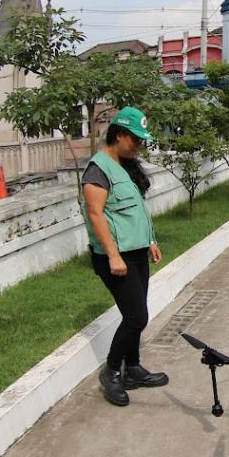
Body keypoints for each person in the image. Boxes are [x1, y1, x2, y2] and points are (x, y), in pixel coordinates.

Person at [82, 106, 169, 407]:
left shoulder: (124, 165)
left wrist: (151, 240)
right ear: (119, 135)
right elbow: (95, 214)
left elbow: (135, 211)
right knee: (136, 317)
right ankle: (111, 372)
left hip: (136, 252)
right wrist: (113, 256)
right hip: (115, 258)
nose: (139, 146)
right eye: (135, 139)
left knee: (137, 312)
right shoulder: (98, 169)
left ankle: (132, 368)